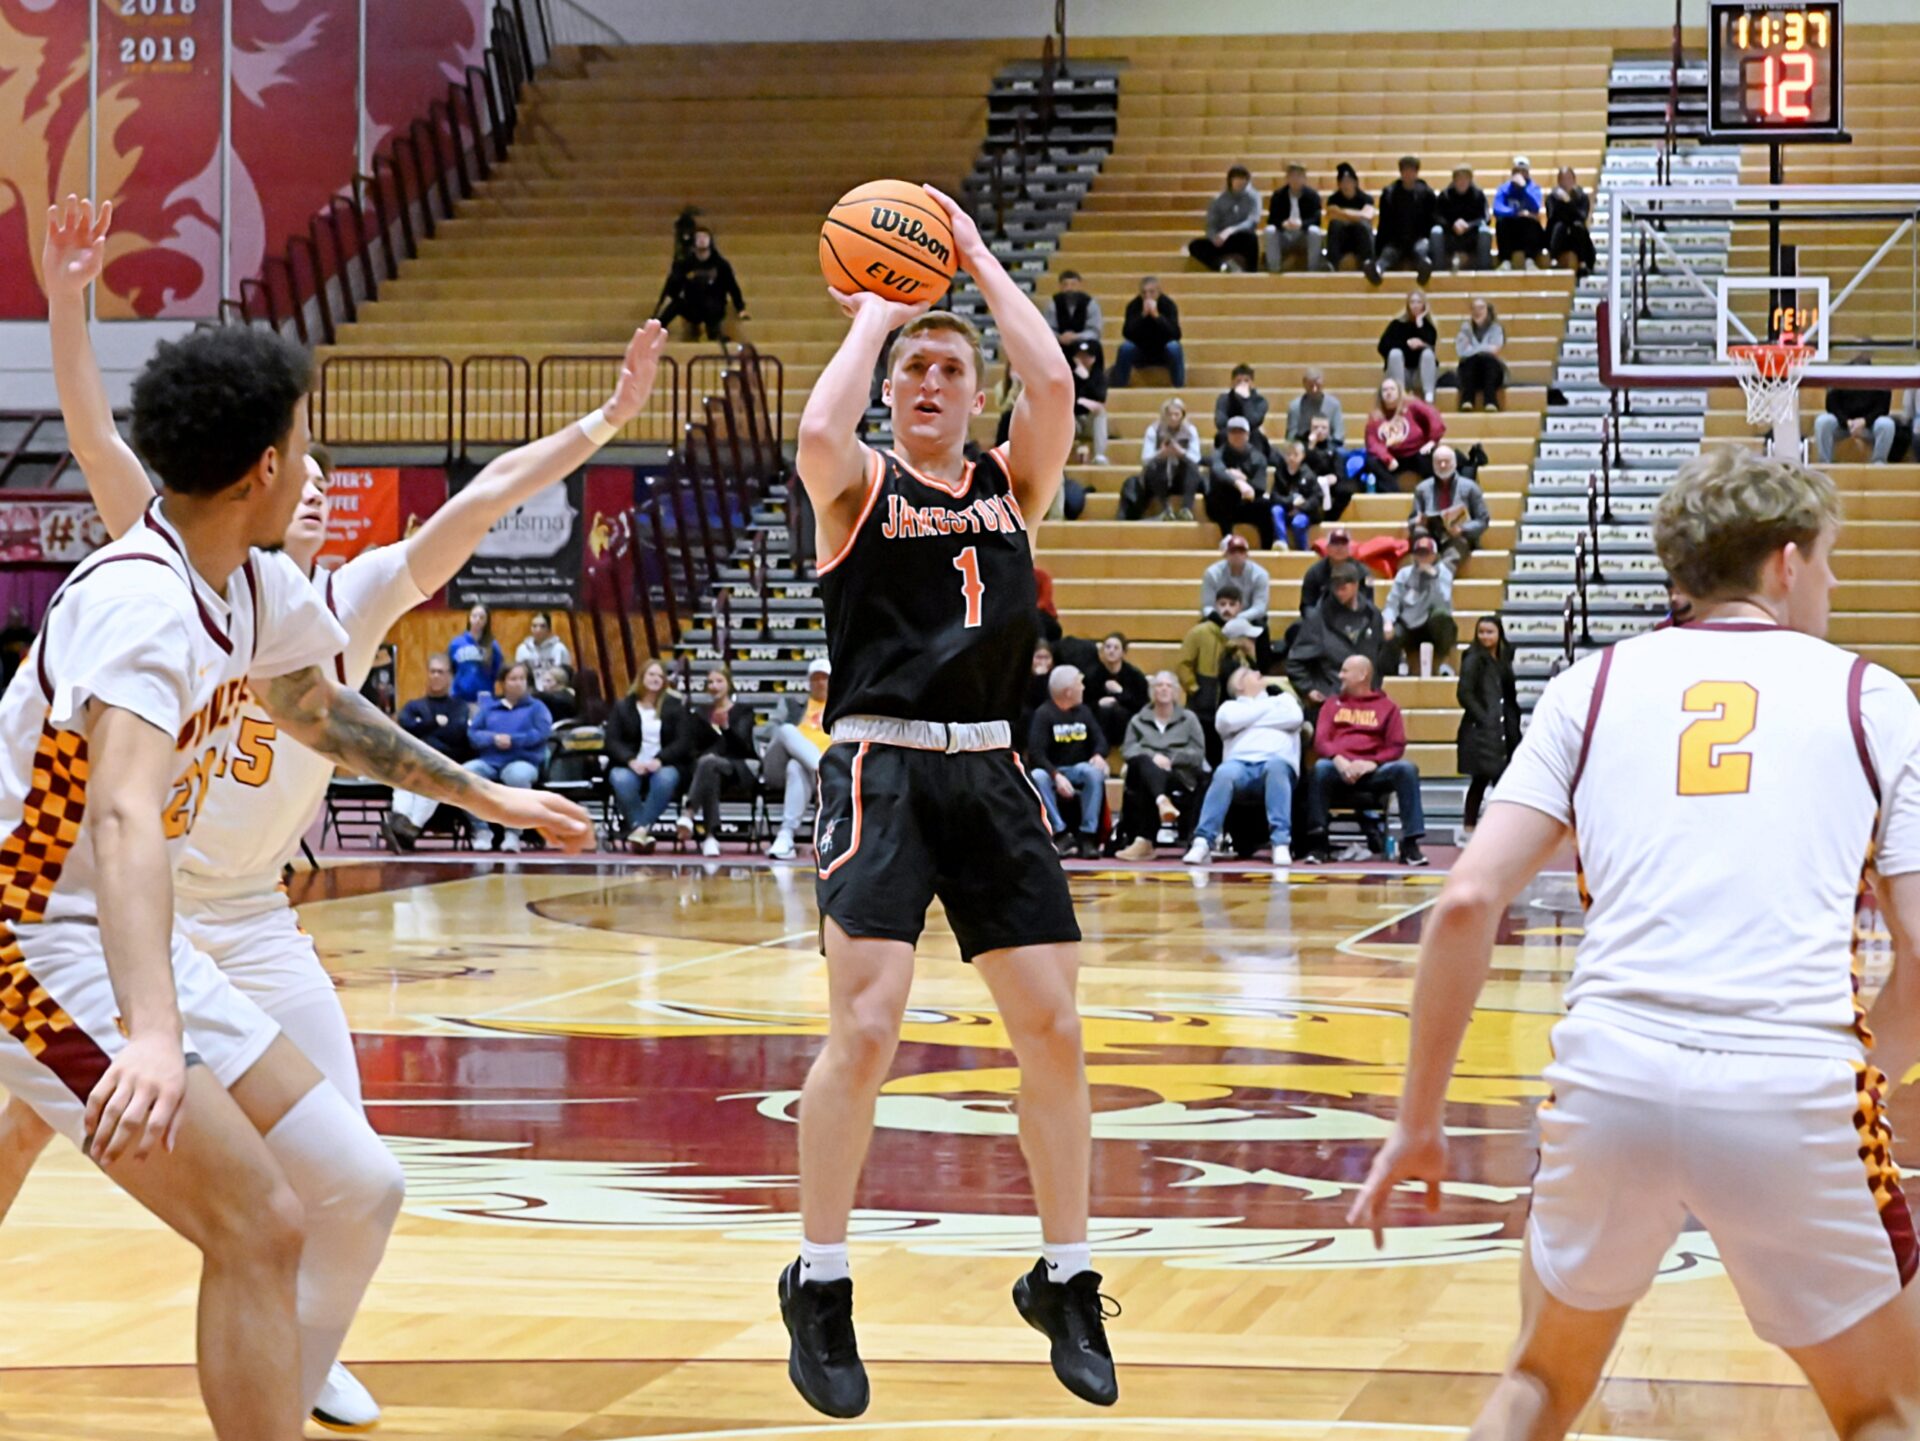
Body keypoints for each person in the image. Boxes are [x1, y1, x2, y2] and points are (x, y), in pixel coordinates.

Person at [24, 197, 608, 1434]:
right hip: (27, 935)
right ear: (267, 471)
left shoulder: (254, 581)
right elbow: (125, 813)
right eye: (306, 438)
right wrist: (148, 1028)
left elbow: (314, 708)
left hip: (131, 929)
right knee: (260, 1220)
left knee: (353, 1182)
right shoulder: (140, 602)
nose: (315, 456)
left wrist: (483, 790)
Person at [1348, 447, 1920, 1441]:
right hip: (1792, 1084)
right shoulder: (1871, 698)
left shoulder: (1591, 687)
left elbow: (1465, 901)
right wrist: (1874, 1062)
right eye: (1824, 561)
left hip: (1610, 1076)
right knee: (1882, 1406)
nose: (1826, 582)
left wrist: (1418, 1120)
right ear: (1786, 563)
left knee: (1536, 1384)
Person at [786, 183, 1114, 1418]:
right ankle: (820, 1280)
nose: (929, 382)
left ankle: (1066, 1274)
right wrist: (875, 314)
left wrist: (971, 255)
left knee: (1056, 1030)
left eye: (947, 368)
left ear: (974, 394)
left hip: (989, 763)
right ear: (890, 386)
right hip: (878, 763)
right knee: (866, 1030)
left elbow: (1057, 391)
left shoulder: (1010, 484)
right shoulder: (857, 480)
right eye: (913, 369)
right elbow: (818, 432)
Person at [1298, 654, 1428, 866]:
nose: (1340, 675)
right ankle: (1318, 844)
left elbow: (1396, 746)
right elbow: (1321, 741)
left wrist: (1372, 763)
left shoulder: (1388, 707)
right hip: (1338, 770)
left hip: (1373, 772)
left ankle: (1411, 844)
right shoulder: (1331, 705)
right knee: (1321, 768)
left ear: (1362, 675)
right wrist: (1339, 760)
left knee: (1407, 769)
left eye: (1345, 671)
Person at [1181, 667, 1304, 868]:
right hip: (1239, 765)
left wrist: (1249, 720)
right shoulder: (1229, 707)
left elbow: (1295, 718)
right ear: (1239, 685)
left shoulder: (1285, 700)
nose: (1258, 672)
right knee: (1223, 773)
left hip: (1276, 762)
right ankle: (1203, 841)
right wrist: (1269, 712)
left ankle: (1280, 842)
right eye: (1249, 673)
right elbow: (1229, 721)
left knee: (1276, 769)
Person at [384, 654, 476, 849]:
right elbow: (406, 727)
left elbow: (456, 734)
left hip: (443, 764)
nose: (435, 676)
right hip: (413, 762)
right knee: (402, 781)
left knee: (430, 782)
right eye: (432, 671)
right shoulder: (413, 705)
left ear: (450, 676)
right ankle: (402, 827)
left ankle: (406, 829)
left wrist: (423, 728)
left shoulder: (459, 707)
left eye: (440, 672)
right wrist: (435, 724)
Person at [1112, 672, 1206, 860]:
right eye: (1159, 685)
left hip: (1178, 776)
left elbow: (1198, 753)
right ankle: (1161, 803)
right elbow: (1127, 749)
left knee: (1147, 768)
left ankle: (1145, 839)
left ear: (1176, 692)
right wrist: (1154, 757)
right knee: (1143, 763)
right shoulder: (1138, 720)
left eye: (1168, 685)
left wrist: (1171, 759)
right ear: (1152, 691)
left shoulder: (1189, 719)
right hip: (1145, 776)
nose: (1163, 689)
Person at [463, 662, 555, 853]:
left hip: (523, 760)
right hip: (490, 761)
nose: (518, 683)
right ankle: (481, 831)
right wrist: (492, 739)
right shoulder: (490, 708)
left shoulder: (537, 708)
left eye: (522, 679)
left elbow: (541, 734)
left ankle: (513, 833)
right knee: (467, 773)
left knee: (517, 776)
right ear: (503, 683)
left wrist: (514, 740)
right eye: (513, 679)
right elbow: (473, 734)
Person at [605, 657, 692, 851]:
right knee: (620, 779)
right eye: (651, 674)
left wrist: (660, 759)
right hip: (631, 764)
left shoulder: (674, 706)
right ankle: (642, 830)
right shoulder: (623, 706)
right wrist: (630, 760)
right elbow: (612, 741)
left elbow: (683, 742)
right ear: (642, 677)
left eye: (660, 676)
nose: (655, 679)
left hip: (664, 764)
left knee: (666, 778)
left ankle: (639, 831)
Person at [1287, 562, 1387, 726]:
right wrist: (1309, 689)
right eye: (1335, 587)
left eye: (1343, 587)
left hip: (1367, 700)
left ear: (1355, 585)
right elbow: (1295, 662)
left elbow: (1379, 657)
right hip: (1332, 699)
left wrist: (1374, 688)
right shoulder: (1318, 618)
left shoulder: (1373, 615)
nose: (1339, 592)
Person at [1027, 666, 1110, 858]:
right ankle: (1060, 833)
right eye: (1079, 684)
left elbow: (1100, 740)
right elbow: (1036, 754)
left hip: (1077, 768)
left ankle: (1087, 835)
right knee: (1038, 776)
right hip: (1052, 770)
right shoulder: (1044, 714)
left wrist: (1098, 754)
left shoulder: (1084, 712)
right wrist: (1056, 776)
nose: (1083, 688)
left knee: (1093, 773)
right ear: (1068, 691)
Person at [677, 666, 756, 858]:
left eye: (719, 681)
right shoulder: (699, 714)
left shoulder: (744, 712)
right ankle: (711, 838)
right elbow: (692, 747)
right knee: (708, 768)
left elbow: (744, 748)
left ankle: (689, 813)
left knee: (708, 763)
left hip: (737, 767)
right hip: (707, 770)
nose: (714, 686)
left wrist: (726, 728)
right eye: (710, 682)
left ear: (729, 684)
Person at [1454, 614, 1520, 841]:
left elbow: (1509, 696)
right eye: (1481, 632)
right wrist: (1484, 718)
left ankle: (1501, 830)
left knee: (1502, 781)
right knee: (1481, 779)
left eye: (1489, 632)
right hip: (1480, 731)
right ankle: (1470, 828)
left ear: (1499, 633)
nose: (1485, 636)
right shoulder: (1473, 659)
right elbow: (1464, 693)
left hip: (1503, 728)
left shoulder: (1504, 658)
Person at [762, 656, 833, 860]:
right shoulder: (793, 704)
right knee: (785, 729)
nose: (820, 683)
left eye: (824, 678)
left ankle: (786, 836)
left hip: (808, 774)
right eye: (815, 678)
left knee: (796, 766)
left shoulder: (839, 708)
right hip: (779, 764)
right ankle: (822, 769)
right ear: (809, 682)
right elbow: (767, 731)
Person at [653, 224, 748, 341]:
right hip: (693, 306)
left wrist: (740, 309)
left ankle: (714, 332)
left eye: (705, 237)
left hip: (715, 306)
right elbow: (673, 289)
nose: (702, 240)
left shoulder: (721, 264)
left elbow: (732, 287)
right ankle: (656, 329)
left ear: (710, 241)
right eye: (699, 237)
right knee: (677, 304)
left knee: (712, 305)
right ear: (694, 241)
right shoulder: (685, 264)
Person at [1382, 535, 1458, 677]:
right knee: (1389, 635)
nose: (1422, 557)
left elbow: (1444, 603)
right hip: (1409, 624)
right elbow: (1392, 603)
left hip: (1432, 625)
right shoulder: (1404, 574)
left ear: (1434, 555)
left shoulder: (1443, 573)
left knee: (1442, 618)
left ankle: (1443, 662)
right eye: (1419, 553)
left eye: (1426, 553)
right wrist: (1388, 622)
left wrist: (1433, 578)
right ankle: (1389, 676)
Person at [1409, 444, 1491, 570]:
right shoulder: (1422, 489)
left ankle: (1440, 572)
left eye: (1446, 462)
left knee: (1459, 545)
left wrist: (1462, 529)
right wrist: (1418, 522)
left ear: (1454, 463)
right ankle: (1425, 567)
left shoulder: (1471, 487)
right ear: (1433, 464)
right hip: (1431, 535)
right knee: (1419, 534)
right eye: (1438, 462)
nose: (1442, 466)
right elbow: (1412, 520)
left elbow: (1483, 520)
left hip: (1458, 537)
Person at [1177, 582, 1242, 740]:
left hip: (1232, 703)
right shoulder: (1199, 632)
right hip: (1202, 704)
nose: (1227, 608)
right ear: (1215, 605)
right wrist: (1195, 689)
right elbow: (1183, 664)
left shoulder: (1243, 632)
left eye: (1232, 604)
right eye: (1222, 604)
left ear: (1240, 607)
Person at [1365, 377, 1446, 491]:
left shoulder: (1412, 405)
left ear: (1399, 391)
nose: (1389, 392)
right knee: (1371, 461)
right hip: (1393, 457)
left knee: (1431, 455)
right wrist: (1387, 458)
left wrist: (1432, 441)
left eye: (1392, 389)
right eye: (1385, 390)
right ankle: (1392, 492)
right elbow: (1373, 443)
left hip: (1416, 452)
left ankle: (1434, 490)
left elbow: (1433, 417)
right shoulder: (1375, 417)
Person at [1206, 417, 1275, 549]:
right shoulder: (1218, 454)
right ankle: (1227, 538)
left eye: (1241, 432)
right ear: (1227, 435)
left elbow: (1259, 487)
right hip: (1222, 506)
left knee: (1265, 505)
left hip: (1245, 504)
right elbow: (1218, 471)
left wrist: (1244, 480)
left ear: (1248, 435)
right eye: (1233, 432)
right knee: (1216, 493)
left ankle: (1267, 548)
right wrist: (1237, 483)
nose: (1237, 436)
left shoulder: (1257, 457)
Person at [1368, 155, 1436, 286]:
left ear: (1417, 172)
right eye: (1405, 170)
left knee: (1421, 250)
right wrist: (1379, 249)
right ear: (1400, 172)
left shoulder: (1427, 194)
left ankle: (1424, 272)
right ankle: (1377, 271)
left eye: (1411, 171)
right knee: (1388, 255)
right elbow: (1384, 224)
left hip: (1418, 238)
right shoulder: (1389, 194)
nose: (1408, 174)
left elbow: (1432, 220)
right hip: (1396, 241)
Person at [1814, 366, 1900, 465]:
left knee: (1887, 424)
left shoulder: (1880, 371)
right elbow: (1831, 405)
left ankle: (1878, 462)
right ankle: (1824, 463)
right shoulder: (1840, 371)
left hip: (1870, 425)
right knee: (1822, 421)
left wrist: (1865, 421)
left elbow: (1883, 408)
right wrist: (1846, 421)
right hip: (1843, 424)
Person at [1111, 275, 1185, 387]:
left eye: (1151, 292)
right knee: (1125, 348)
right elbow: (1127, 333)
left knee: (1175, 347)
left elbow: (1176, 334)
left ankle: (1179, 387)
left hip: (1163, 352)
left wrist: (1157, 317)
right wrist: (1142, 316)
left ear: (1159, 292)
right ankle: (1119, 386)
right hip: (1141, 351)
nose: (1147, 296)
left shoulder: (1168, 305)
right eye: (1144, 293)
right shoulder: (1134, 305)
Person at [1188, 164, 1261, 272]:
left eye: (1243, 179)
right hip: (1223, 240)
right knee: (1195, 246)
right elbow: (1211, 225)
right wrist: (1214, 238)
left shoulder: (1254, 196)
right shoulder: (1218, 199)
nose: (1240, 182)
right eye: (1236, 178)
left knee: (1252, 238)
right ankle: (1223, 267)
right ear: (1230, 180)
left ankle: (1251, 272)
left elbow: (1252, 220)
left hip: (1242, 237)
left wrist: (1231, 230)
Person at [1140, 396, 1202, 521]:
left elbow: (1196, 458)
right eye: (1169, 415)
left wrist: (1181, 453)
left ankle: (1186, 509)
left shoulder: (1190, 431)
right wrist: (1161, 453)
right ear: (1164, 415)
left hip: (1180, 477)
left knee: (1192, 467)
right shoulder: (1153, 429)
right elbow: (1145, 459)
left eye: (1176, 414)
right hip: (1158, 478)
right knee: (1153, 466)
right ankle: (1165, 509)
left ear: (1183, 415)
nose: (1173, 418)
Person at [1201, 534, 1271, 637]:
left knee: (1262, 626)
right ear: (1225, 554)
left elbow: (1260, 607)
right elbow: (1207, 606)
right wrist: (1223, 618)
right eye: (1233, 552)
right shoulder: (1212, 573)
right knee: (1203, 627)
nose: (1237, 555)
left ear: (1247, 555)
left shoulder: (1260, 575)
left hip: (1248, 618)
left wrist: (1237, 618)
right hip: (1220, 617)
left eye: (1241, 551)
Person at [1089, 631, 1149, 749]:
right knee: (1104, 712)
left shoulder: (1135, 675)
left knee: (1118, 712)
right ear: (1102, 650)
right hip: (1100, 721)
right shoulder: (1093, 675)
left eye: (1116, 648)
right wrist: (1097, 703)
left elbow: (1142, 705)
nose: (1111, 651)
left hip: (1125, 722)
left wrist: (1120, 692)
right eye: (1108, 647)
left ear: (1123, 652)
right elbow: (1084, 704)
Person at [1378, 289, 1439, 404]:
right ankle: (1399, 394)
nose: (1415, 305)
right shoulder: (1396, 324)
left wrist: (1420, 326)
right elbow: (1382, 347)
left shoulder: (1428, 327)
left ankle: (1429, 395)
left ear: (1424, 305)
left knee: (1428, 353)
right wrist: (1406, 344)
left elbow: (1431, 344)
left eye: (1418, 302)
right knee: (1395, 353)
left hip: (1420, 374)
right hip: (1401, 373)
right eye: (1412, 302)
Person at [1264, 162, 1325, 274]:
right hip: (1284, 234)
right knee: (1269, 231)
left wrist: (1301, 224)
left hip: (1303, 234)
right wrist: (1283, 223)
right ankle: (1274, 270)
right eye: (1292, 176)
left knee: (1315, 232)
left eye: (1299, 176)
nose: (1295, 179)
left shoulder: (1312, 196)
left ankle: (1313, 270)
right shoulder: (1278, 195)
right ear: (1287, 178)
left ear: (1305, 178)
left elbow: (1317, 219)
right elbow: (1271, 219)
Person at [1299, 527, 1375, 615]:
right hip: (1322, 619)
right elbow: (1307, 605)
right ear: (1327, 548)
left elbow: (1368, 603)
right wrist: (1316, 622)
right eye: (1335, 543)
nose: (1339, 548)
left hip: (1354, 618)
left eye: (1343, 543)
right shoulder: (1313, 573)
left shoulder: (1364, 573)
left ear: (1349, 548)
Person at [1433, 163, 1492, 272]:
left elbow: (1486, 218)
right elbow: (1437, 217)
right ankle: (1438, 270)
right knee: (1435, 232)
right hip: (1450, 236)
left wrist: (1468, 225)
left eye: (1465, 178)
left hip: (1472, 237)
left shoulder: (1478, 195)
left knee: (1485, 232)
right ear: (1454, 180)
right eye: (1459, 178)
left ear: (1470, 180)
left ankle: (1484, 271)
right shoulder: (1445, 195)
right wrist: (1452, 225)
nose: (1462, 181)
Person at [1493, 157, 1547, 270]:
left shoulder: (1534, 188)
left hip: (1526, 230)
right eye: (1518, 171)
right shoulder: (1504, 188)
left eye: (1524, 171)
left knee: (1532, 222)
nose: (1521, 174)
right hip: (1510, 228)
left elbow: (1535, 207)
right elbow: (1497, 208)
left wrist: (1523, 189)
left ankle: (1530, 260)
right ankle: (1506, 261)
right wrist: (1516, 213)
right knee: (1501, 222)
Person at [1272, 439, 1325, 552]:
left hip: (1304, 512)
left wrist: (1300, 508)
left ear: (1302, 456)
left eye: (1295, 455)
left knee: (1298, 523)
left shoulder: (1309, 474)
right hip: (1287, 509)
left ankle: (1303, 550)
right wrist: (1291, 502)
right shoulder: (1280, 472)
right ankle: (1283, 544)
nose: (1291, 458)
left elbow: (1317, 498)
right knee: (1276, 510)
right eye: (1289, 454)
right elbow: (1274, 496)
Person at [1324, 163, 1377, 273]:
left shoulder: (1366, 198)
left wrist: (1342, 213)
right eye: (1343, 182)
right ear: (1338, 184)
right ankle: (1332, 264)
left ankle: (1367, 263)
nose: (1346, 185)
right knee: (1335, 225)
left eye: (1349, 181)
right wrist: (1357, 215)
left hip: (1359, 238)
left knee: (1363, 226)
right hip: (1342, 239)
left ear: (1355, 182)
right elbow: (1331, 215)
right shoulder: (1333, 199)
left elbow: (1367, 216)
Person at [1456, 297, 1507, 411]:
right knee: (1470, 361)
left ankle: (1490, 401)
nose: (1477, 311)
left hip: (1491, 374)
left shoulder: (1496, 328)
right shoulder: (1465, 328)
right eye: (1474, 308)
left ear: (1487, 310)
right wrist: (1484, 349)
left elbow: (1495, 349)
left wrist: (1474, 349)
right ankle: (1467, 401)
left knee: (1488, 361)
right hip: (1471, 374)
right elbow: (1461, 351)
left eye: (1481, 308)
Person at [1545, 166, 1596, 277]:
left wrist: (1568, 202)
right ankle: (1554, 258)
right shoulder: (1552, 197)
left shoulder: (1581, 196)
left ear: (1574, 180)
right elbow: (1552, 216)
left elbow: (1582, 216)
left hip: (1576, 235)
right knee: (1560, 226)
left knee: (1578, 226)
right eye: (1563, 179)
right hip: (1559, 235)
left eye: (1568, 179)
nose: (1565, 182)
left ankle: (1583, 262)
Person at [449, 601, 503, 705]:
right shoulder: (456, 643)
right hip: (459, 698)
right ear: (469, 618)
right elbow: (450, 669)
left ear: (487, 621)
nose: (477, 620)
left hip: (483, 699)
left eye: (481, 617)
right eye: (474, 616)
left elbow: (498, 671)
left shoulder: (492, 645)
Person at [1214, 363, 1273, 457]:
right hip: (1229, 436)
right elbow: (1220, 423)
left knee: (1257, 435)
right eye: (1238, 381)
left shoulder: (1260, 401)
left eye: (1246, 381)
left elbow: (1253, 421)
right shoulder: (1224, 399)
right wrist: (1236, 431)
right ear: (1232, 383)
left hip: (1251, 437)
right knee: (1222, 435)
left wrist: (1245, 400)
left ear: (1252, 384)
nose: (1242, 384)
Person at [1047, 269, 1104, 363]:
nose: (1069, 288)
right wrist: (1059, 337)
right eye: (1065, 285)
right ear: (1060, 286)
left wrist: (1076, 336)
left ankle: (1092, 377)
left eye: (1073, 284)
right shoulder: (1053, 304)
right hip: (1059, 343)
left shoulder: (1090, 303)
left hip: (1083, 342)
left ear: (1080, 285)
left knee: (1094, 347)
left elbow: (1095, 331)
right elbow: (1048, 329)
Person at [1069, 341, 1110, 464]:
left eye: (1087, 356)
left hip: (1088, 422)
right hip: (1072, 422)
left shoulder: (1099, 377)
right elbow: (1064, 400)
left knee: (1101, 413)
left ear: (1094, 359)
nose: (1083, 359)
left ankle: (1100, 456)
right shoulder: (1068, 374)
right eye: (1080, 356)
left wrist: (1086, 378)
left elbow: (1100, 399)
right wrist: (1082, 401)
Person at [1286, 367, 1345, 445]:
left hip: (1328, 447)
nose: (1314, 389)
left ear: (1323, 383)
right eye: (1311, 386)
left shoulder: (1334, 405)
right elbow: (1291, 436)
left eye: (1318, 386)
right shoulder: (1295, 406)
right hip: (1304, 447)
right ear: (1304, 384)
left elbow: (1339, 434)